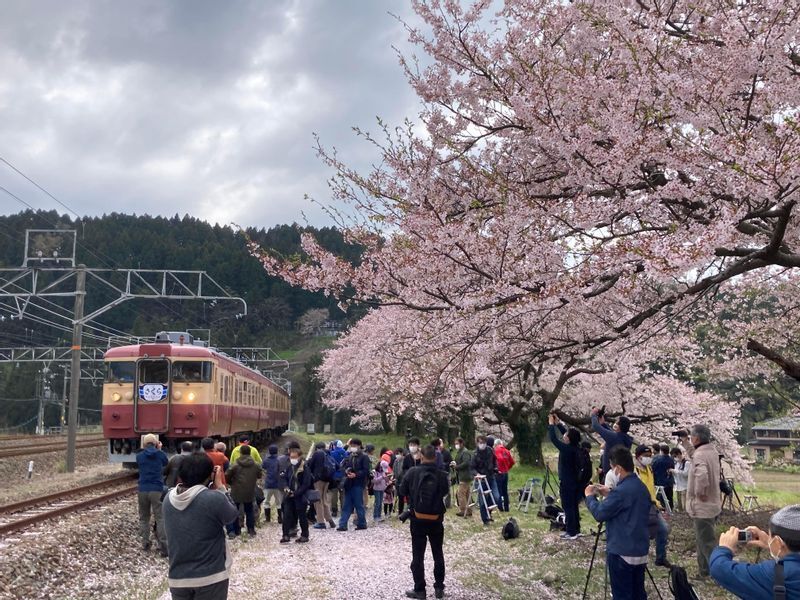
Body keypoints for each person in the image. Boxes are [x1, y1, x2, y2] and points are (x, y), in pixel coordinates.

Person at [163, 453, 239, 600]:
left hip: (178, 578)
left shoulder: (168, 499)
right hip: (211, 577)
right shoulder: (213, 498)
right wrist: (221, 488)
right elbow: (232, 516)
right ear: (209, 475)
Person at [584, 446, 651, 600]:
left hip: (622, 551)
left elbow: (600, 513)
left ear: (619, 468)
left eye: (613, 468)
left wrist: (589, 497)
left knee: (622, 594)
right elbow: (629, 503)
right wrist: (610, 493)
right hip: (640, 550)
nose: (612, 471)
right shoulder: (641, 487)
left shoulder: (621, 492)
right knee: (638, 593)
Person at [709, 504, 800, 599]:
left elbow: (719, 568)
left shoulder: (776, 575)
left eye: (770, 537)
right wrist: (771, 546)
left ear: (778, 542)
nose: (769, 540)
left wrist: (724, 548)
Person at [399, 445, 449, 600]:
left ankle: (420, 590)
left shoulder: (413, 472)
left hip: (417, 518)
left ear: (421, 455)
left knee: (418, 556)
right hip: (436, 520)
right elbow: (445, 492)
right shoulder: (442, 475)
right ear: (435, 457)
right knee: (438, 554)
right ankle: (439, 588)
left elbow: (401, 491)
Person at [679, 424, 721, 578]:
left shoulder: (700, 455)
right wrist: (685, 441)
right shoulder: (711, 451)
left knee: (707, 543)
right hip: (713, 505)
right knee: (702, 540)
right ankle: (704, 572)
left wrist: (700, 492)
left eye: (691, 437)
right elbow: (694, 455)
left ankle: (717, 574)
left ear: (696, 438)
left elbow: (701, 474)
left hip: (703, 507)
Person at [633, 445, 671, 567]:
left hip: (652, 505)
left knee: (663, 529)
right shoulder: (634, 470)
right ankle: (638, 557)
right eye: (645, 456)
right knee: (641, 533)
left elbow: (651, 488)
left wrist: (658, 504)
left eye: (650, 456)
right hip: (638, 507)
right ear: (638, 456)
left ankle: (660, 557)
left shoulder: (649, 469)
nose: (648, 458)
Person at [547, 414, 582, 540]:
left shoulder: (567, 450)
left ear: (569, 439)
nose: (564, 436)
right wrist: (558, 424)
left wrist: (551, 425)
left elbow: (554, 439)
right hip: (574, 482)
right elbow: (566, 434)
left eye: (566, 436)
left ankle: (571, 531)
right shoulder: (575, 447)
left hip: (567, 482)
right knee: (573, 506)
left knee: (568, 507)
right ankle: (576, 529)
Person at [136, 433, 169, 556]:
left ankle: (145, 543)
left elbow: (140, 461)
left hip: (143, 488)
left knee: (144, 517)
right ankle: (163, 545)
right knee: (160, 517)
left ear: (144, 444)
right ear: (156, 443)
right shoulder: (160, 455)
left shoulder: (139, 456)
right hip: (156, 488)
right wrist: (159, 449)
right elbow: (165, 462)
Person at [226, 444, 263, 538]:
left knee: (235, 510)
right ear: (250, 453)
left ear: (241, 452)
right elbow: (259, 475)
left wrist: (231, 483)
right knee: (249, 510)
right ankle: (251, 530)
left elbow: (227, 475)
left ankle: (236, 530)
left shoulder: (235, 465)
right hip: (250, 490)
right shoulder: (255, 465)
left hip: (236, 491)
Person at [279, 445, 313, 543]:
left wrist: (296, 493)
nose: (292, 459)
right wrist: (286, 488)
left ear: (299, 457)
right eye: (291, 457)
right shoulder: (289, 467)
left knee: (302, 516)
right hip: (289, 496)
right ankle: (285, 535)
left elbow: (306, 483)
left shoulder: (305, 468)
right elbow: (284, 478)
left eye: (294, 457)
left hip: (300, 496)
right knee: (286, 516)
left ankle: (305, 535)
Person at [337, 438, 371, 531]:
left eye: (354, 446)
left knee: (358, 504)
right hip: (349, 483)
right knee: (346, 505)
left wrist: (356, 474)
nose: (352, 447)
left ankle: (362, 523)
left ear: (359, 446)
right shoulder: (350, 456)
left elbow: (365, 471)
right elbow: (345, 467)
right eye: (351, 446)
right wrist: (347, 472)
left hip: (358, 484)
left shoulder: (364, 457)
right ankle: (342, 525)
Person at [590, 407, 633, 479]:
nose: (615, 424)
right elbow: (611, 434)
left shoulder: (614, 437)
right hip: (619, 472)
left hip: (610, 473)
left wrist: (593, 415)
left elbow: (596, 426)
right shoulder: (625, 438)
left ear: (619, 426)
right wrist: (603, 424)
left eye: (616, 422)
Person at [470, 435, 501, 525]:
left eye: (483, 442)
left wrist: (495, 468)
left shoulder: (490, 450)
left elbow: (495, 460)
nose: (482, 444)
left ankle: (489, 512)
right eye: (480, 443)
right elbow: (472, 468)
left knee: (496, 497)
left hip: (491, 477)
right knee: (482, 499)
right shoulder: (475, 454)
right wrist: (477, 474)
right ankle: (485, 519)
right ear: (477, 443)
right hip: (481, 479)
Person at [306, 441, 335, 529]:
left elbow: (309, 466)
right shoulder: (328, 454)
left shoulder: (317, 453)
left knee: (318, 501)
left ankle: (321, 522)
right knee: (324, 500)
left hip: (318, 479)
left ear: (317, 448)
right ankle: (330, 520)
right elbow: (336, 465)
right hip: (327, 480)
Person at [261, 444, 283, 523]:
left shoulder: (266, 460)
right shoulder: (280, 460)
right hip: (278, 484)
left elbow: (263, 468)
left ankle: (267, 518)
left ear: (269, 452)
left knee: (266, 501)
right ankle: (280, 518)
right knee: (279, 502)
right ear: (277, 452)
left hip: (268, 483)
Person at [451, 438, 472, 518]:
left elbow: (466, 463)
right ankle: (469, 510)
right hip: (463, 475)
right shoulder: (460, 452)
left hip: (465, 476)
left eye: (457, 443)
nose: (456, 445)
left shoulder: (465, 452)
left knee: (460, 493)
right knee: (467, 493)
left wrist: (457, 467)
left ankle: (463, 510)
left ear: (462, 443)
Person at [494, 439, 515, 512]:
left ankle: (500, 507)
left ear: (496, 445)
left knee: (499, 490)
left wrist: (498, 469)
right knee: (505, 491)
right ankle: (506, 508)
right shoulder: (506, 451)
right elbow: (512, 462)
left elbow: (499, 458)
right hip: (506, 472)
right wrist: (507, 468)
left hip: (499, 473)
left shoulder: (496, 450)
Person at [651, 444, 675, 510]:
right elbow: (673, 468)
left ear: (661, 451)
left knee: (661, 498)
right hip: (669, 480)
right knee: (670, 497)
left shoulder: (657, 460)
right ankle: (671, 509)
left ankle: (663, 510)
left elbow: (653, 469)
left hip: (660, 481)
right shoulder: (671, 460)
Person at [329, 440, 347, 517]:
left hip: (334, 476)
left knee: (334, 493)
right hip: (343, 475)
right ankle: (344, 509)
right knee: (343, 493)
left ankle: (334, 510)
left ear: (335, 445)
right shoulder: (345, 453)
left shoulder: (332, 453)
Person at [668, 447, 689, 512]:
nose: (675, 458)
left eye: (675, 456)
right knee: (680, 508)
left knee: (685, 506)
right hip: (677, 487)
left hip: (685, 487)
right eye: (673, 457)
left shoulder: (687, 463)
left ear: (679, 454)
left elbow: (686, 474)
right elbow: (676, 474)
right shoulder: (676, 464)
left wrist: (674, 471)